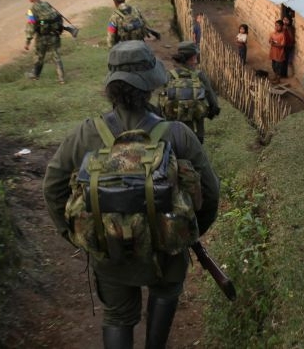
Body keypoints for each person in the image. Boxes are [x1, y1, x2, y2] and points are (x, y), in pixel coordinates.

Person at [43, 40, 220, 349]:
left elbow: (52, 187)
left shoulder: (85, 134)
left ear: (111, 87)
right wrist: (186, 233)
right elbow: (211, 192)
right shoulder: (178, 134)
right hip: (168, 249)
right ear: (151, 84)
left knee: (117, 316)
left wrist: (75, 234)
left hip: (110, 252)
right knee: (165, 294)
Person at [165, 41, 220, 144]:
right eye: (195, 58)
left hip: (173, 132)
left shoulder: (169, 76)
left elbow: (162, 104)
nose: (196, 62)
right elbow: (214, 105)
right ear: (192, 58)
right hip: (196, 132)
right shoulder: (199, 76)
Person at [24, 0, 66, 84]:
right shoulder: (46, 4)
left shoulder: (32, 10)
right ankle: (61, 78)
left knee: (39, 56)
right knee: (56, 56)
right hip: (54, 35)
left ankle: (35, 75)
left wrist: (27, 42)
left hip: (42, 37)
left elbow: (31, 26)